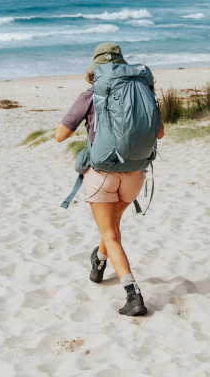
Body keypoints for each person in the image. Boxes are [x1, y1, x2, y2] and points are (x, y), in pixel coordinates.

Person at [56, 42, 164, 317]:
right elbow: (159, 133)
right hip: (135, 173)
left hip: (102, 175)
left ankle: (133, 294)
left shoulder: (89, 96)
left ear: (95, 68)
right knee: (111, 228)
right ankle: (99, 261)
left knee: (111, 234)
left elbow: (60, 135)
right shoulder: (141, 90)